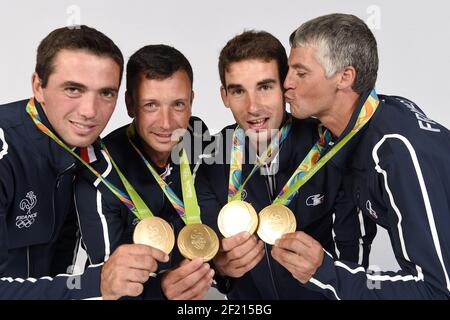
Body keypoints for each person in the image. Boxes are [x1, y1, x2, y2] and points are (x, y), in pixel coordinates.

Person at [273, 13, 450, 299]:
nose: (286, 84)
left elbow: (436, 291)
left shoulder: (395, 150)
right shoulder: (361, 126)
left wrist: (325, 273)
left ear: (345, 77)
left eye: (301, 73)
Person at [195, 30, 376, 299]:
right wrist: (219, 267)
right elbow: (209, 249)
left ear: (285, 87)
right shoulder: (210, 157)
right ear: (224, 95)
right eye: (238, 91)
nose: (253, 107)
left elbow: (354, 248)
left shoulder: (327, 144)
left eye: (265, 87)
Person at [0, 25, 168, 300]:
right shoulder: (5, 152)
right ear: (38, 86)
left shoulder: (89, 150)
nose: (90, 112)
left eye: (106, 93)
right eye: (73, 89)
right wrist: (97, 281)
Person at [75, 44, 214, 300]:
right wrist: (161, 291)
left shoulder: (198, 138)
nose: (166, 123)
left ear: (192, 102)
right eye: (151, 105)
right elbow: (111, 284)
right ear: (130, 104)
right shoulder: (98, 176)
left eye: (178, 105)